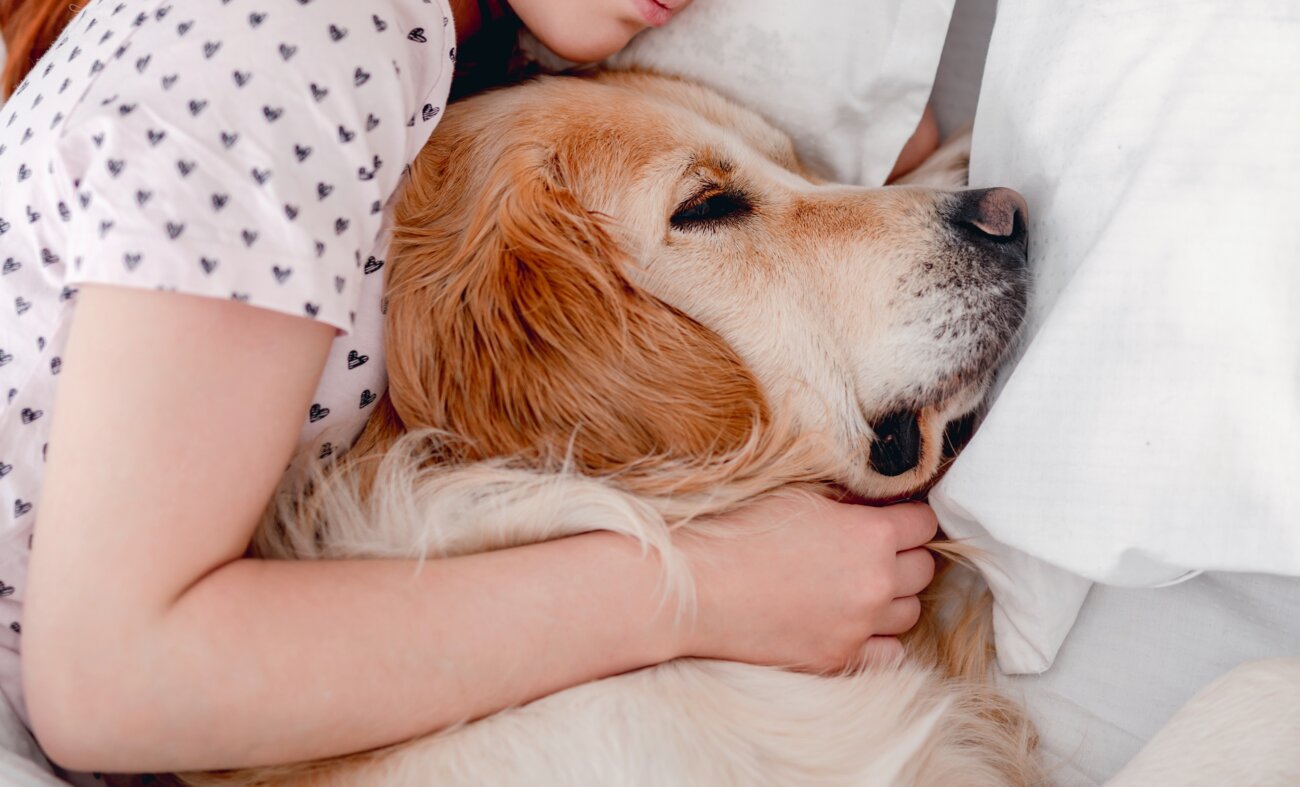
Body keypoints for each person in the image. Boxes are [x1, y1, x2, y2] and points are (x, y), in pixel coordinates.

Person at [0, 0, 941, 782]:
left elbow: (901, 128)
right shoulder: (301, 34)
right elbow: (112, 682)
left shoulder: (454, 41)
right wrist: (705, 586)